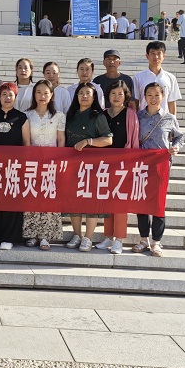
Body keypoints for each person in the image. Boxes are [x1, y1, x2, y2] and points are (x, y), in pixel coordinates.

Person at [134, 83, 184, 257]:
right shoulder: (138, 116)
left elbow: (179, 137)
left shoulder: (169, 118)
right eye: (149, 95)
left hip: (160, 165)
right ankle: (143, 239)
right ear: (144, 97)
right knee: (141, 202)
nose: (153, 98)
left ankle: (156, 241)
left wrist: (176, 147)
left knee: (158, 203)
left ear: (163, 97)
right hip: (141, 165)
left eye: (157, 95)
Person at [64, 83, 113, 251]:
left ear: (94, 97)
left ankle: (88, 237)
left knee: (91, 202)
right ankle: (77, 234)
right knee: (74, 201)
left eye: (88, 93)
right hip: (72, 165)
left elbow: (108, 139)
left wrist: (88, 141)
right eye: (81, 93)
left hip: (92, 166)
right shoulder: (70, 115)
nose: (84, 96)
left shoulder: (98, 116)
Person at [0, 82, 30, 250]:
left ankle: (10, 237)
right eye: (4, 94)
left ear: (15, 97)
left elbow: (26, 143)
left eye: (10, 95)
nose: (7, 98)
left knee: (13, 200)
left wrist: (24, 165)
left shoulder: (21, 117)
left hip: (15, 166)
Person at [97, 80, 139, 255]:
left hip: (123, 164)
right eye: (113, 93)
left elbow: (134, 140)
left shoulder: (130, 114)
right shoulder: (102, 114)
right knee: (106, 201)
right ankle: (108, 236)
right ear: (108, 96)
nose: (116, 97)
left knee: (120, 203)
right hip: (104, 164)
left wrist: (132, 163)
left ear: (125, 96)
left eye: (120, 94)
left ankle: (119, 239)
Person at [23, 80, 65, 250]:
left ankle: (45, 236)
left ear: (51, 95)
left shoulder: (59, 116)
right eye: (39, 92)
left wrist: (59, 161)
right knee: (32, 196)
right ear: (34, 95)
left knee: (48, 198)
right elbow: (26, 141)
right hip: (32, 163)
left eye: (46, 92)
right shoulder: (27, 115)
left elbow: (61, 139)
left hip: (51, 163)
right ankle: (32, 234)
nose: (42, 96)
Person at [132, 41, 181, 115]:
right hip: (143, 119)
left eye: (159, 53)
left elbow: (171, 102)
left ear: (164, 56)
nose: (156, 57)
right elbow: (135, 102)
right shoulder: (138, 77)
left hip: (164, 119)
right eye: (153, 53)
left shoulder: (171, 78)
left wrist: (173, 120)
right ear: (147, 56)